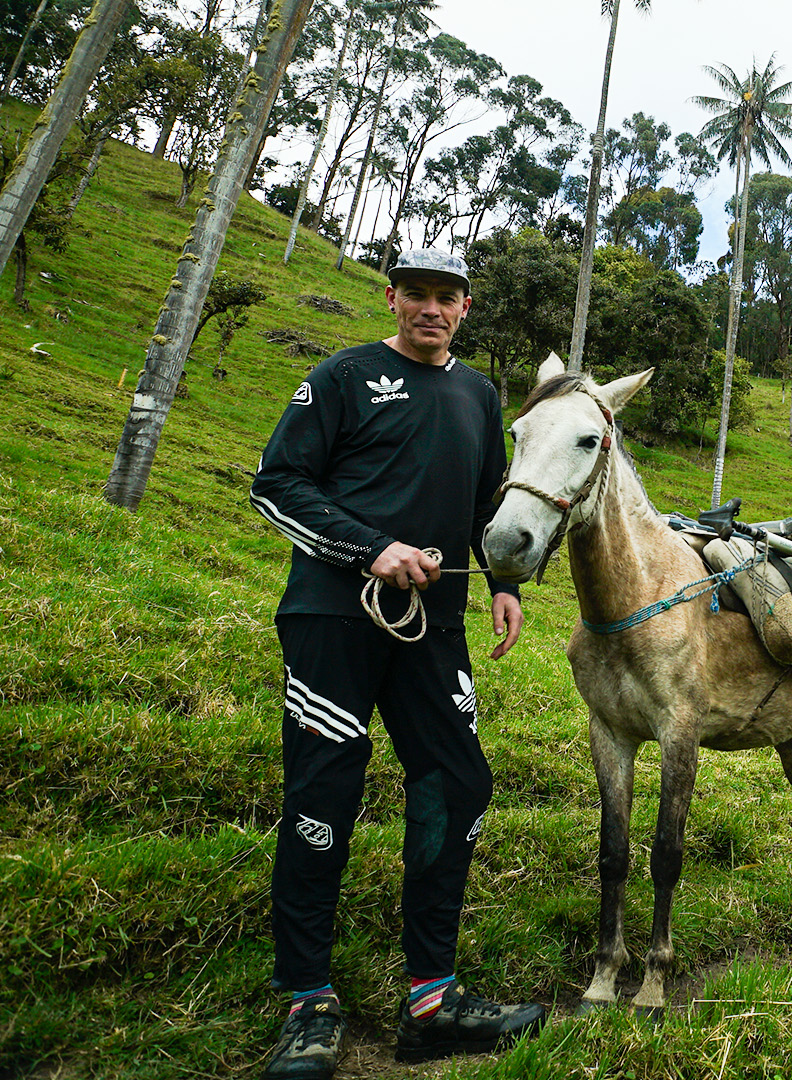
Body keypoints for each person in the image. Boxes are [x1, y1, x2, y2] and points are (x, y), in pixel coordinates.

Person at [248, 250, 544, 1080]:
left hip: (434, 628)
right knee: (323, 795)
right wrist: (370, 548)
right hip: (334, 618)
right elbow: (276, 485)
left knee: (459, 784)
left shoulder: (479, 394)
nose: (430, 308)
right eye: (416, 293)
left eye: (446, 297)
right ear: (392, 298)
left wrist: (504, 583)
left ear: (465, 307)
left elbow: (487, 504)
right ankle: (308, 1000)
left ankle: (431, 1000)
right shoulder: (342, 376)